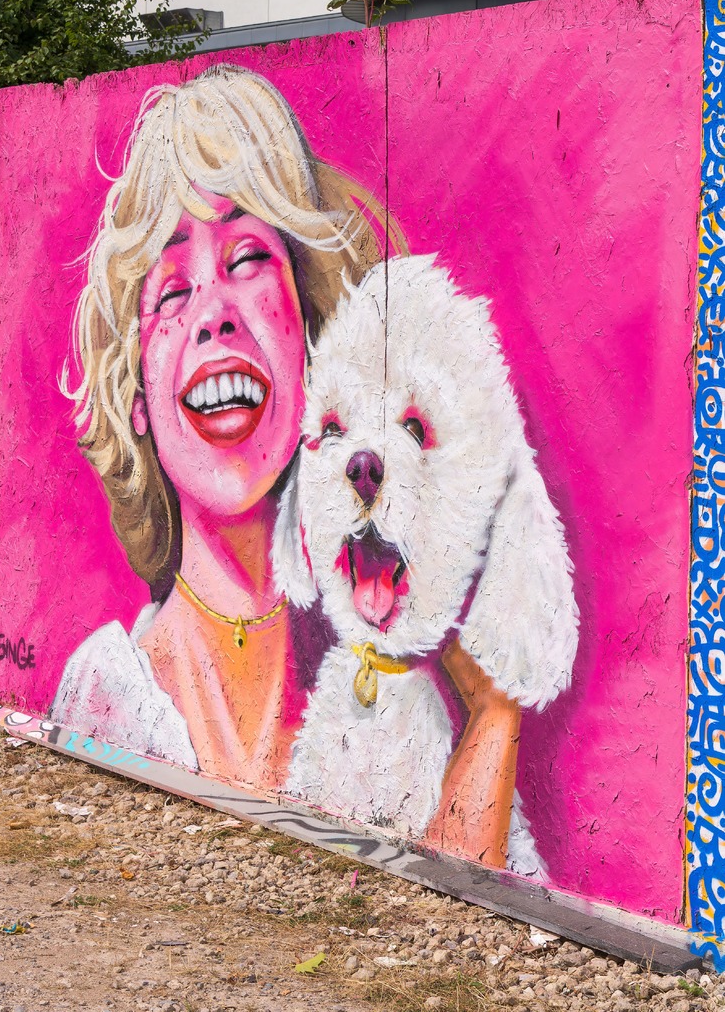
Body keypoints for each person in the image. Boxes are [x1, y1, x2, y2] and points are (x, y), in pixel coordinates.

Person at [51, 64, 521, 866]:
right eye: (169, 294)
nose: (212, 314)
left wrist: (493, 718)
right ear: (135, 395)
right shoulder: (103, 697)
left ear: (311, 340)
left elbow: (448, 937)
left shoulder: (392, 684)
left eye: (245, 260)